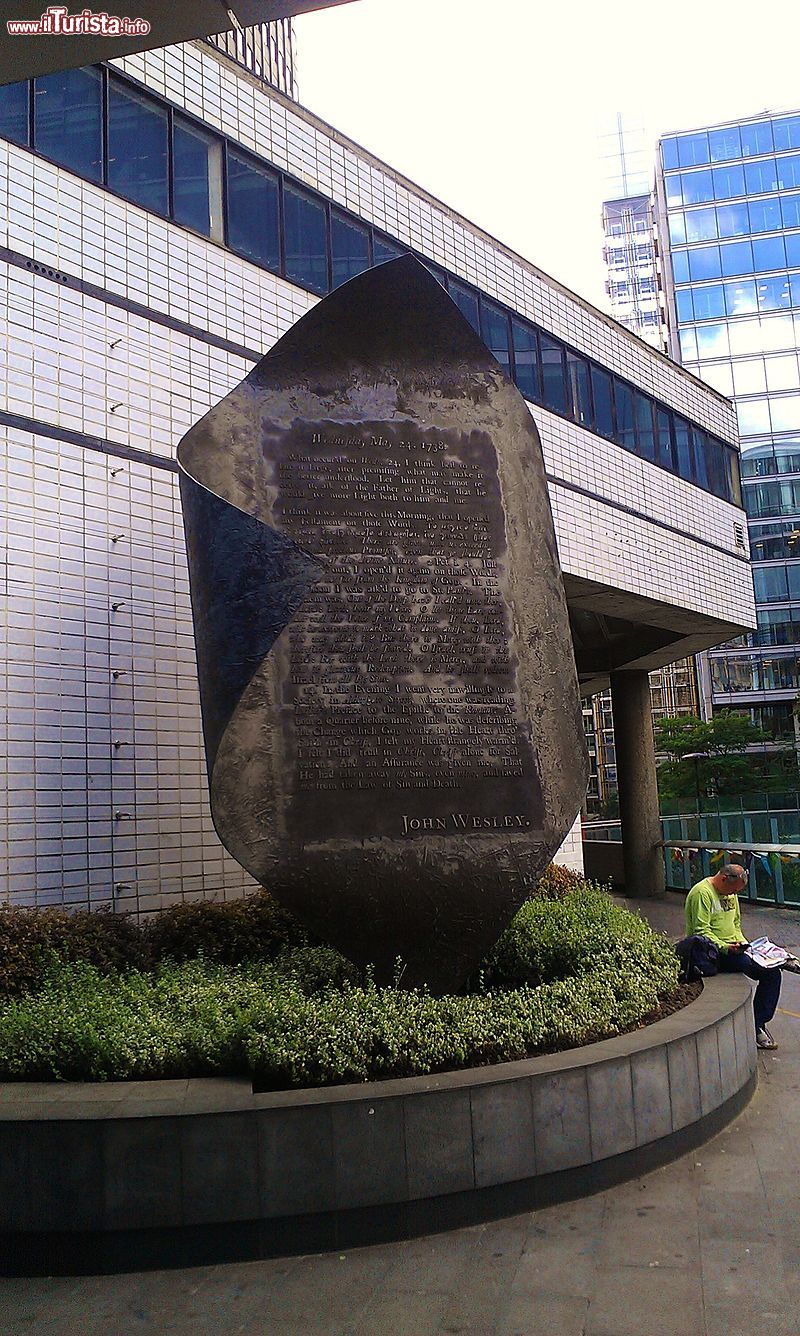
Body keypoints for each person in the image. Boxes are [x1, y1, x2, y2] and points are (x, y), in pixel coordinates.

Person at [684, 863, 781, 1050]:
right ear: (723, 879)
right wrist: (726, 947)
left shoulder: (732, 893)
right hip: (711, 952)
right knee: (765, 972)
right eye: (731, 891)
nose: (731, 895)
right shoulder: (702, 894)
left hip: (734, 947)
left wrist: (745, 945)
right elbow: (701, 931)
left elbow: (735, 924)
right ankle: (756, 1028)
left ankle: (758, 1021)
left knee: (774, 971)